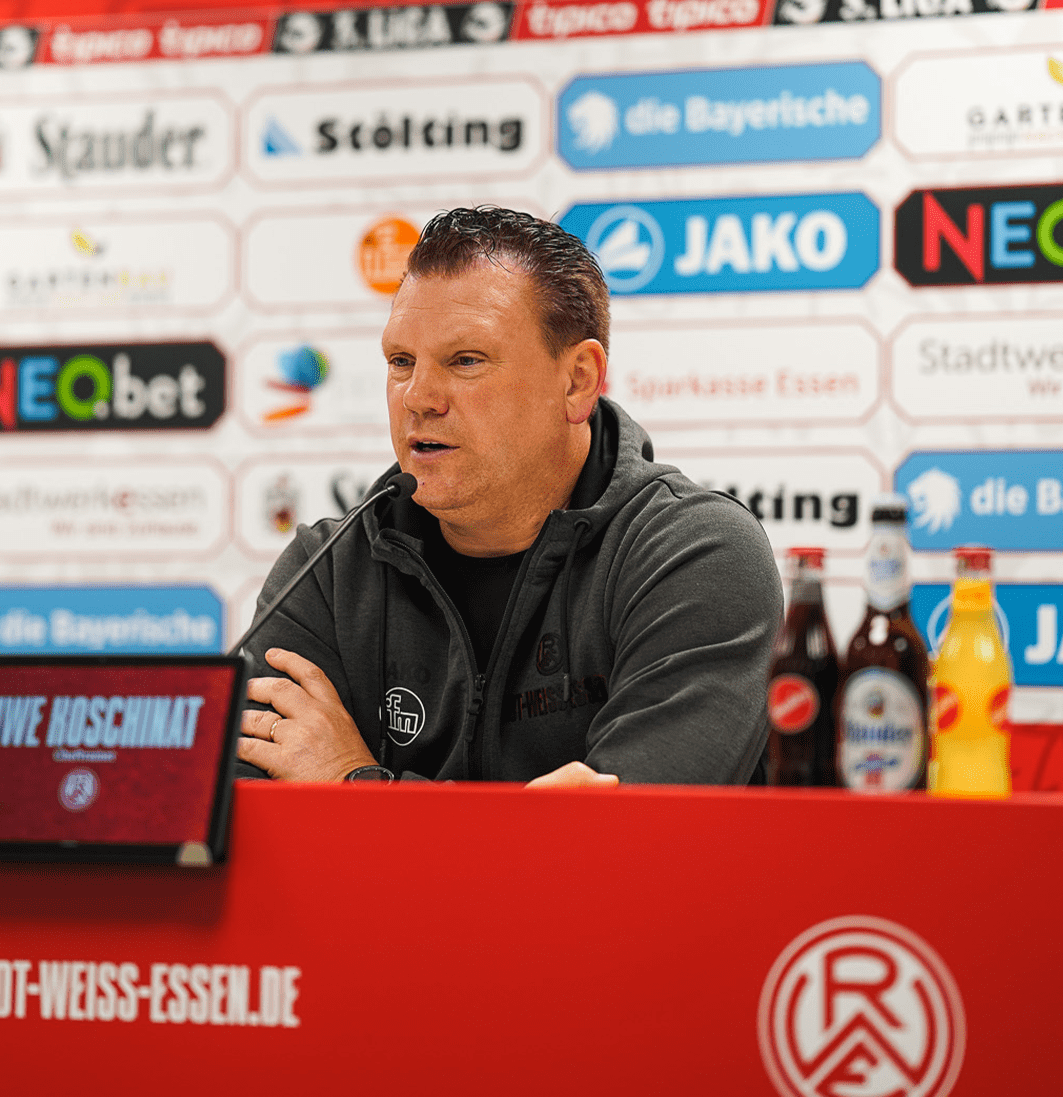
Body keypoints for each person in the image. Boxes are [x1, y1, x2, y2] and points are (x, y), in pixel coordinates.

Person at [235, 206, 781, 787]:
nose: (418, 397)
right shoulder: (328, 570)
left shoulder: (693, 556)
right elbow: (250, 836)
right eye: (401, 362)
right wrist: (527, 827)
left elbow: (625, 856)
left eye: (465, 361)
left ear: (577, 382)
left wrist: (356, 784)